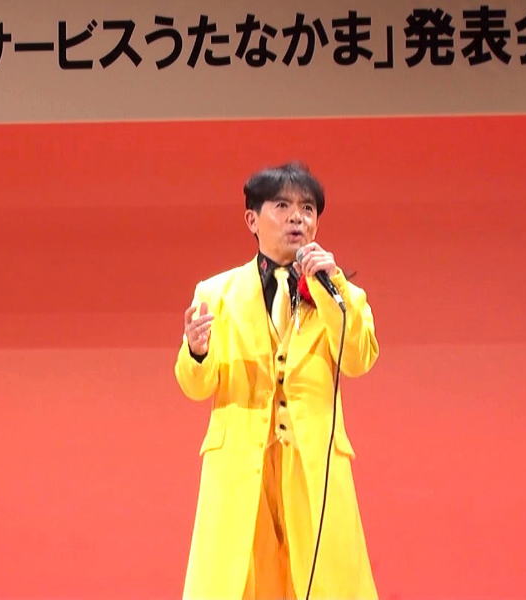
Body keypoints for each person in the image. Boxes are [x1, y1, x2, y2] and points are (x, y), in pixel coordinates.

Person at [174, 163, 379, 600]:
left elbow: (359, 359)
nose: (296, 217)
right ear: (252, 219)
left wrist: (332, 289)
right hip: (241, 460)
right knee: (242, 579)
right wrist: (197, 351)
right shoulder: (216, 293)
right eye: (282, 206)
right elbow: (195, 386)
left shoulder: (342, 294)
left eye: (307, 208)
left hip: (313, 460)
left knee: (323, 579)